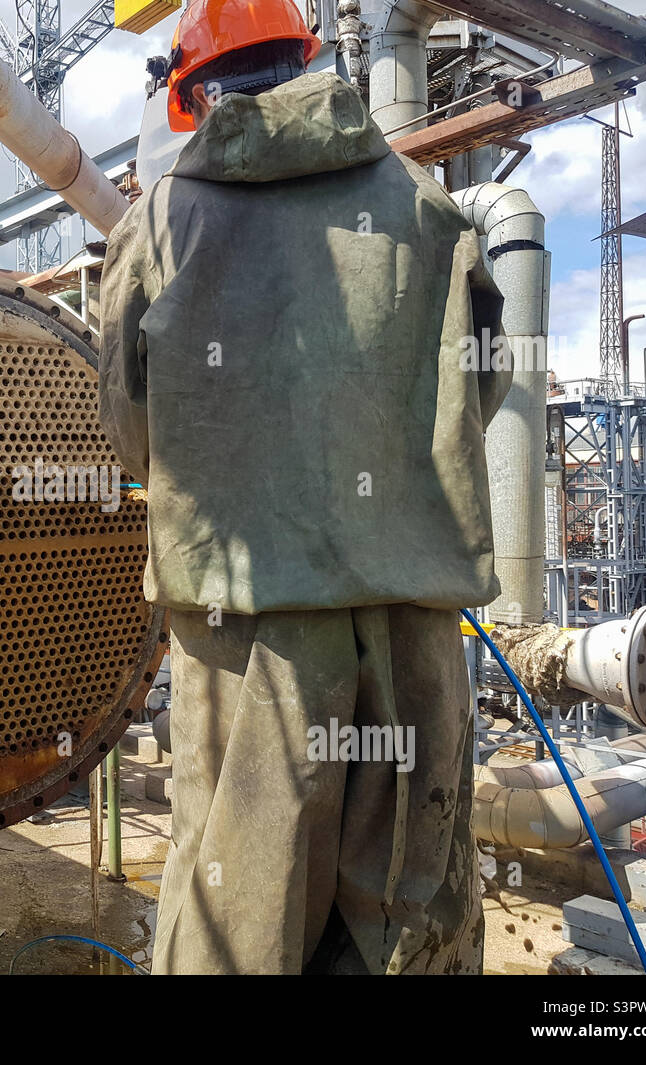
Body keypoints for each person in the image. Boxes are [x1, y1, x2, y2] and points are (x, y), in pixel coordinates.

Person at [98, 0, 512, 974]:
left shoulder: (161, 219)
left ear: (195, 94)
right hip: (413, 617)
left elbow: (129, 429)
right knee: (411, 918)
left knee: (237, 918)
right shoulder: (428, 203)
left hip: (248, 635)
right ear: (309, 64)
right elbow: (481, 384)